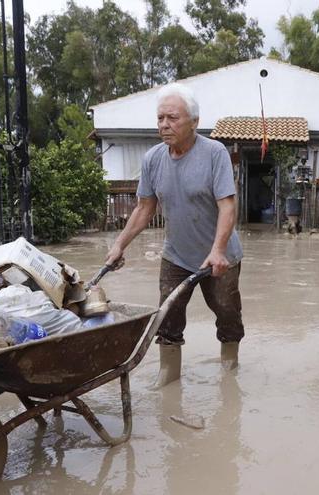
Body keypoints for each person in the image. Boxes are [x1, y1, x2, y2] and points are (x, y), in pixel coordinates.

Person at [104, 83, 244, 388]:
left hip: (220, 256)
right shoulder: (153, 159)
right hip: (177, 255)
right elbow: (144, 208)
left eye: (173, 118)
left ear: (194, 121)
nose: (164, 125)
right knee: (167, 314)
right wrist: (119, 245)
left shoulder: (214, 153)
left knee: (227, 312)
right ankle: (169, 374)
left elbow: (228, 206)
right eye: (160, 119)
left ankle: (229, 365)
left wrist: (218, 250)